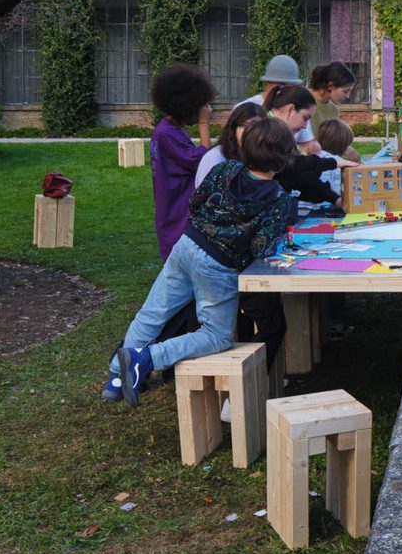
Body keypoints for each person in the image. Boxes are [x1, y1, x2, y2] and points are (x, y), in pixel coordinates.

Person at [105, 114, 299, 404]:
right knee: (216, 335)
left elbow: (195, 202)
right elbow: (260, 247)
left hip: (186, 245)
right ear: (284, 158)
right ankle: (146, 359)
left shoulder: (224, 170)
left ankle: (116, 379)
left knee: (153, 313)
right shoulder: (279, 200)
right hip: (218, 265)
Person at [148, 63, 213, 259]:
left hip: (172, 201)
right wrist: (203, 122)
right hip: (175, 205)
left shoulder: (169, 129)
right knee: (179, 253)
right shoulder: (167, 133)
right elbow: (201, 158)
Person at [268, 85, 337, 209]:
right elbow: (294, 169)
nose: (305, 126)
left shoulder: (280, 134)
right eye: (305, 118)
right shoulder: (267, 135)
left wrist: (334, 198)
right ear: (290, 110)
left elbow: (299, 178)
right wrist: (334, 163)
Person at [245, 54, 319, 153]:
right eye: (286, 86)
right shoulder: (248, 108)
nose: (287, 91)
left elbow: (308, 145)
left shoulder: (299, 112)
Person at [195, 99, 264, 187]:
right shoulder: (216, 157)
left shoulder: (263, 156)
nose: (249, 131)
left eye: (255, 127)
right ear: (233, 128)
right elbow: (204, 192)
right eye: (244, 126)